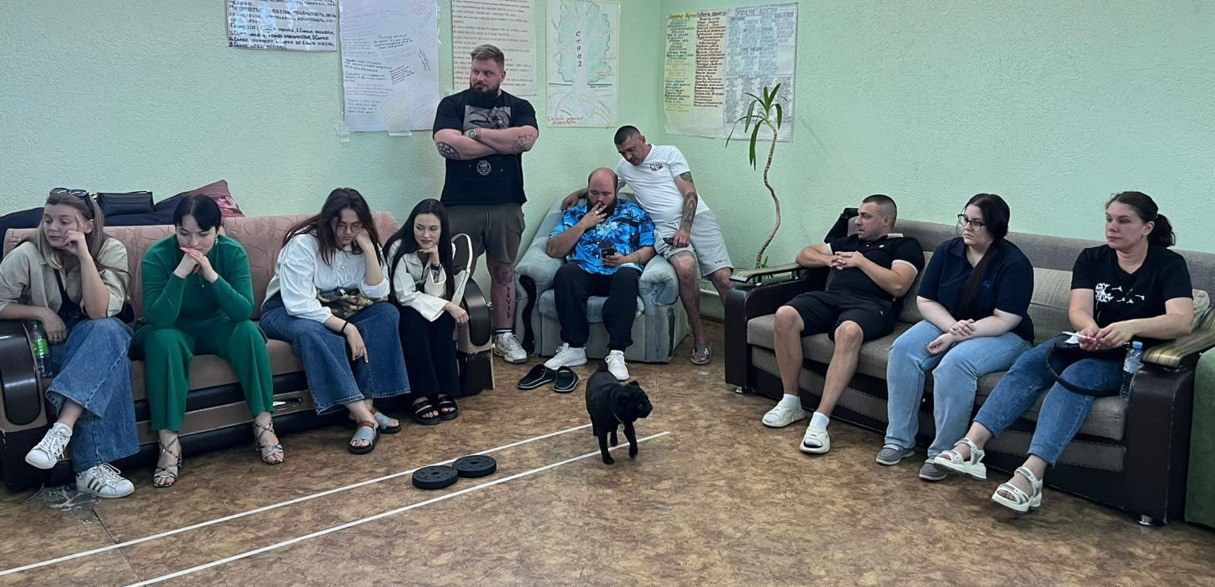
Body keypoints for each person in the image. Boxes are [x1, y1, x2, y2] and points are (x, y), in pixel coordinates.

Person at [933, 192, 1193, 512]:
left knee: (1075, 376)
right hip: (1086, 341)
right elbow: (1079, 310)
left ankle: (1031, 476)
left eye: (1124, 221)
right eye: (1109, 219)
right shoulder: (1092, 258)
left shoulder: (1168, 264)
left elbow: (1181, 321)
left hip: (1128, 355)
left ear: (1147, 227)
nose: (1112, 227)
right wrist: (1089, 329)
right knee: (1030, 362)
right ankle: (972, 446)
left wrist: (1130, 327)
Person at [878, 194, 1034, 481]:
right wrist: (951, 328)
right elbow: (926, 300)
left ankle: (944, 453)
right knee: (903, 350)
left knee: (955, 364)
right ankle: (899, 440)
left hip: (1003, 333)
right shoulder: (947, 251)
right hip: (949, 321)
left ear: (995, 228)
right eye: (965, 219)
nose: (967, 227)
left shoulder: (1014, 262)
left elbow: (1006, 319)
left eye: (977, 223)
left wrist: (954, 337)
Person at [132, 195, 280, 489]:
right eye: (184, 233)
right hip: (170, 328)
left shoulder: (232, 252)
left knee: (248, 332)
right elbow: (159, 319)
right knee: (163, 342)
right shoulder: (157, 256)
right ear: (175, 229)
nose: (194, 243)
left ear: (218, 230)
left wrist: (212, 275)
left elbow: (243, 311)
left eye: (203, 234)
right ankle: (169, 444)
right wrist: (180, 273)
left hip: (215, 325)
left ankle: (264, 426)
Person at [0, 189, 138, 498]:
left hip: (98, 342)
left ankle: (61, 431)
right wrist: (41, 313)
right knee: (108, 352)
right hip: (50, 349)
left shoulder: (110, 250)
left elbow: (99, 312)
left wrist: (85, 257)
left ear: (88, 225)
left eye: (65, 221)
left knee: (107, 331)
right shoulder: (27, 254)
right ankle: (91, 469)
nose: (53, 228)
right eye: (48, 219)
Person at [761, 195, 924, 454]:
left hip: (873, 306)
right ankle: (791, 402)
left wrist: (862, 262)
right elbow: (804, 254)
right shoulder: (849, 241)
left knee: (848, 331)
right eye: (858, 215)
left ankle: (820, 420)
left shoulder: (904, 245)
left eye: (866, 216)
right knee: (785, 315)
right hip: (832, 299)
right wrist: (828, 260)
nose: (857, 221)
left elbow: (898, 284)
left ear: (886, 220)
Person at [259, 188, 410, 455]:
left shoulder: (362, 243)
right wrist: (347, 328)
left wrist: (368, 249)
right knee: (312, 332)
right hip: (285, 309)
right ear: (327, 220)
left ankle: (366, 405)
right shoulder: (303, 243)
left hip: (340, 307)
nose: (347, 232)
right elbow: (299, 304)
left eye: (355, 225)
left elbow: (378, 293)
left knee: (387, 314)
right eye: (341, 225)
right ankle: (364, 416)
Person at [563, 126, 732, 364]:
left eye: (631, 149)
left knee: (723, 279)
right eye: (622, 153)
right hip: (665, 227)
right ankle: (700, 338)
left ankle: (742, 339)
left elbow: (690, 193)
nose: (628, 156)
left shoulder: (669, 153)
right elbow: (606, 189)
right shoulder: (624, 167)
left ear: (643, 139)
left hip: (698, 217)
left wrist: (685, 229)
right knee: (685, 268)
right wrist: (578, 193)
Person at [432, 43, 539, 366]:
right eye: (476, 71)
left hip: (506, 204)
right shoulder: (452, 105)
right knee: (454, 271)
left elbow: (526, 140)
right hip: (460, 204)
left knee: (503, 270)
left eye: (487, 72)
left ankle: (504, 335)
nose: (479, 77)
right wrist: (503, 144)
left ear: (502, 74)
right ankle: (451, 336)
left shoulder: (519, 106)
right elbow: (447, 145)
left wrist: (475, 135)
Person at [543, 168, 657, 381]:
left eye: (606, 194)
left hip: (620, 270)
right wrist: (582, 225)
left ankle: (616, 352)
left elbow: (650, 248)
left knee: (627, 277)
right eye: (594, 193)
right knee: (566, 273)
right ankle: (574, 348)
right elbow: (553, 250)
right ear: (587, 190)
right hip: (585, 270)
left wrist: (627, 259)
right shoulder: (575, 214)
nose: (600, 199)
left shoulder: (634, 212)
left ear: (616, 191)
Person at [385, 199, 469, 425]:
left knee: (444, 321)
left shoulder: (448, 248)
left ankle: (442, 391)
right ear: (411, 225)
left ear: (442, 229)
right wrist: (447, 305)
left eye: (433, 229)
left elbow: (436, 292)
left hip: (429, 302)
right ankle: (418, 395)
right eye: (420, 228)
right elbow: (404, 294)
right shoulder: (397, 248)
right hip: (400, 305)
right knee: (414, 322)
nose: (425, 235)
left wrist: (435, 260)